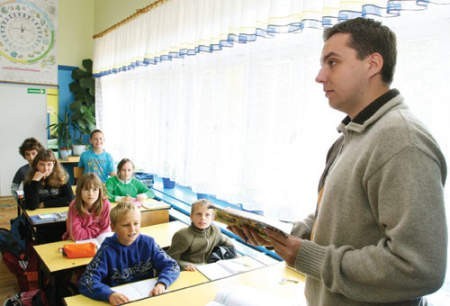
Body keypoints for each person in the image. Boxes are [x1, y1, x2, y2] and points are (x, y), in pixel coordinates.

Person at [229, 18, 447, 306]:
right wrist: (279, 236)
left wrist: (307, 256)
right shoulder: (351, 136)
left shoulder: (402, 141)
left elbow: (420, 268)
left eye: (332, 63)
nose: (320, 76)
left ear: (373, 64)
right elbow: (337, 222)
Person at [78, 201, 180, 305]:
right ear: (113, 227)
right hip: (119, 300)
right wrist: (109, 294)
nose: (132, 230)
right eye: (126, 225)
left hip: (148, 296)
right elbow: (86, 281)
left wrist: (162, 283)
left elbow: (172, 265)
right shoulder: (106, 250)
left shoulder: (148, 243)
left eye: (136, 223)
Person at [167, 199, 235, 271]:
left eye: (207, 215)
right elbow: (170, 259)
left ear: (213, 218)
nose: (203, 218)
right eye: (199, 214)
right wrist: (185, 266)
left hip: (208, 268)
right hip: (189, 271)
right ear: (191, 217)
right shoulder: (183, 236)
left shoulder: (215, 231)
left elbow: (227, 244)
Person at [63, 173, 111, 241]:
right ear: (80, 191)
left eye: (95, 190)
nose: (90, 194)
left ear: (100, 191)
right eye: (86, 189)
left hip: (98, 242)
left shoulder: (105, 204)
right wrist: (97, 230)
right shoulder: (74, 206)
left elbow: (106, 230)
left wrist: (86, 231)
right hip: (75, 243)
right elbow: (76, 236)